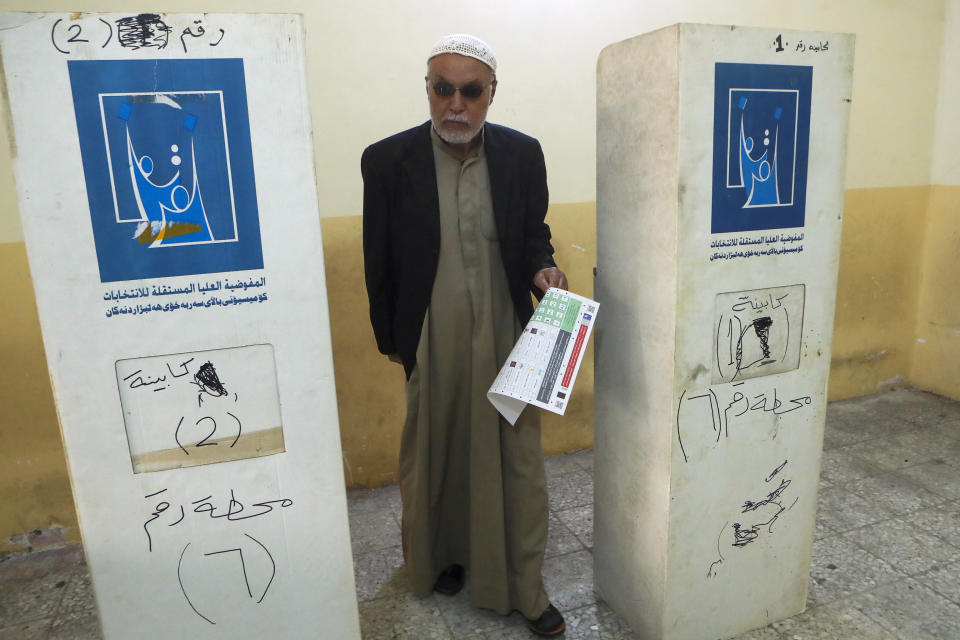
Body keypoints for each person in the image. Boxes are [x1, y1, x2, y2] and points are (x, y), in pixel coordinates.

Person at [361, 34, 568, 637]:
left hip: (507, 330)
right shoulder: (387, 160)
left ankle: (525, 587)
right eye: (442, 88)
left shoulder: (522, 154)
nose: (456, 103)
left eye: (470, 91)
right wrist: (389, 337)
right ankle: (446, 559)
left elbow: (535, 233)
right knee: (435, 452)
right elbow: (380, 258)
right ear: (429, 90)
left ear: (490, 94)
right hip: (431, 333)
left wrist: (543, 268)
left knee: (518, 458)